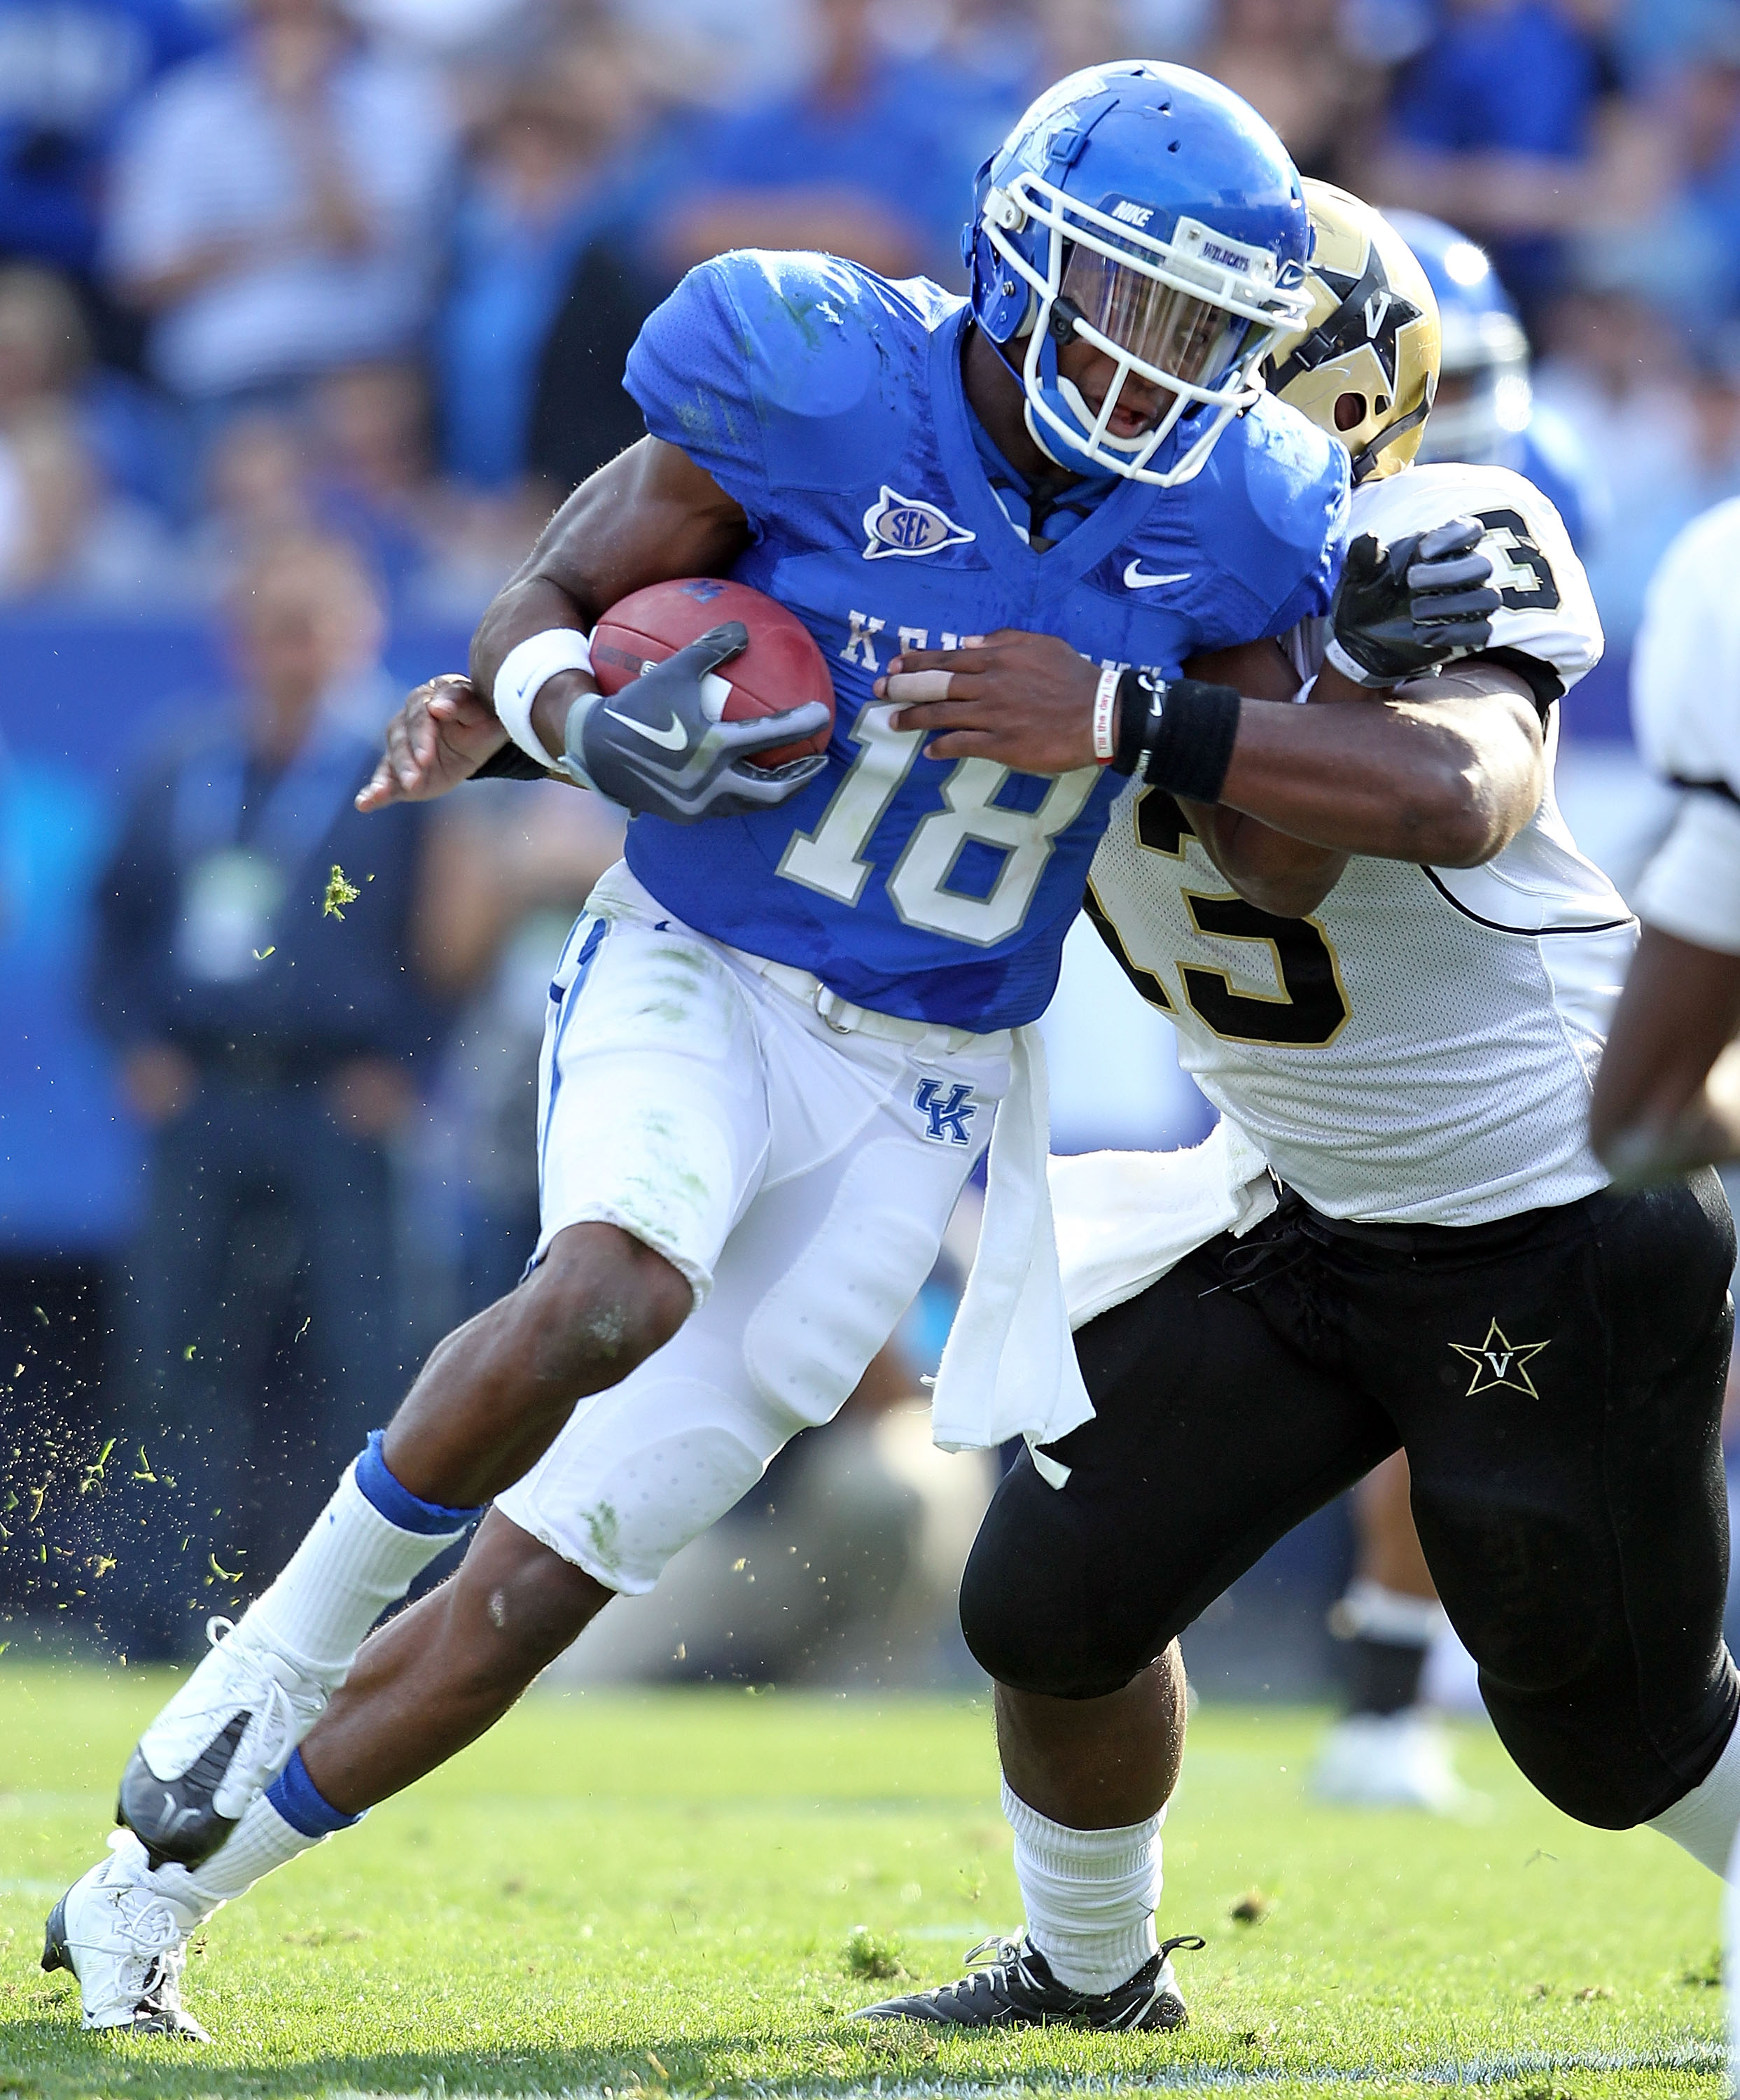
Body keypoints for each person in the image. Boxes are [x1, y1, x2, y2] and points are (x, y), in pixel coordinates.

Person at [42, 61, 1377, 2036]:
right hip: (704, 955)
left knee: (555, 1571)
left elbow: (1276, 866)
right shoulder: (819, 367)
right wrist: (581, 719)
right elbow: (544, 604)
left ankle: (148, 1894)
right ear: (1021, 253)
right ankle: (271, 1658)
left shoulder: (1248, 507)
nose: (1160, 357)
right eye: (1130, 294)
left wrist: (1134, 716)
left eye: (1205, 326)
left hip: (922, 1074)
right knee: (607, 1285)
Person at [856, 178, 1739, 2031]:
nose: (1102, 358)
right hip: (1300, 1198)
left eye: (1165, 326)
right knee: (1050, 1597)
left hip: (1546, 1199)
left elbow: (1452, 794)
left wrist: (1125, 712)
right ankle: (1090, 1975)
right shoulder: (1054, 555)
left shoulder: (1431, 523)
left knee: (1603, 1742)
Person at [87, 533, 444, 1660]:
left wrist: (413, 1066)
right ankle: (154, 1613)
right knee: (170, 1359)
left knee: (366, 1358)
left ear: (359, 636)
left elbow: (455, 933)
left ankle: (353, 1618)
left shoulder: (409, 770)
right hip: (204, 1087)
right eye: (273, 629)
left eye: (314, 627)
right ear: (238, 643)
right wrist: (135, 1044)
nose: (293, 653)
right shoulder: (181, 762)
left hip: (339, 1095)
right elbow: (115, 919)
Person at [102, 0, 453, 406]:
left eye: (305, 21)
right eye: (271, 22)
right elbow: (140, 275)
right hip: (230, 377)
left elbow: (360, 238)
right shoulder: (183, 115)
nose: (289, 40)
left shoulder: (396, 103)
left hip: (361, 374)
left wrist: (302, 114)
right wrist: (293, 233)